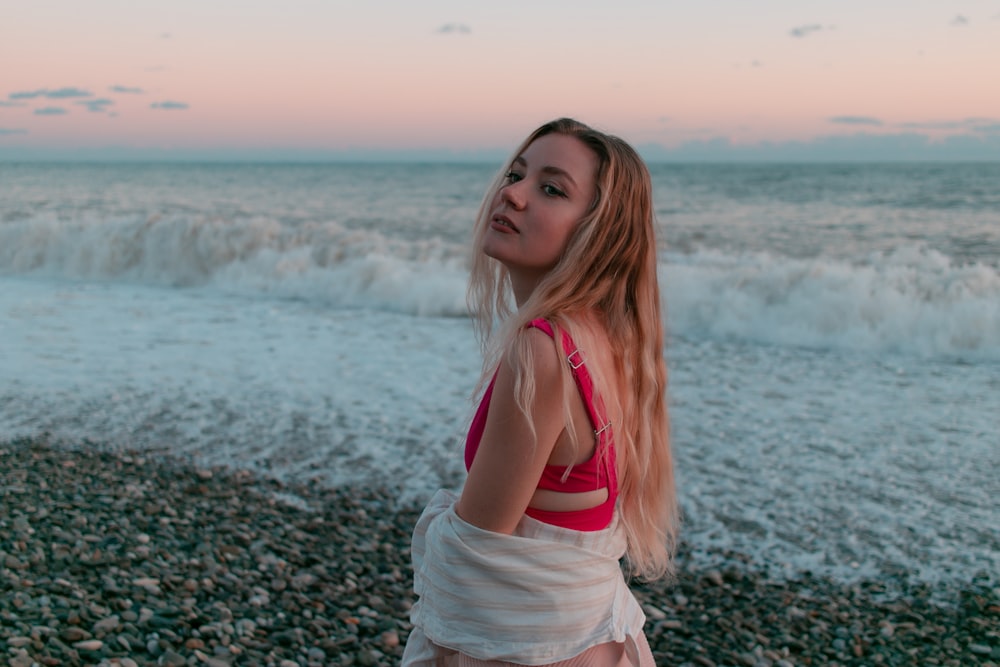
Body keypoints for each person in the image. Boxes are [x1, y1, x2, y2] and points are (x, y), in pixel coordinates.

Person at [401, 118, 679, 666]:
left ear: (598, 232)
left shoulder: (543, 350)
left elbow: (475, 554)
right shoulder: (607, 338)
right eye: (516, 174)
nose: (512, 194)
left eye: (551, 189)